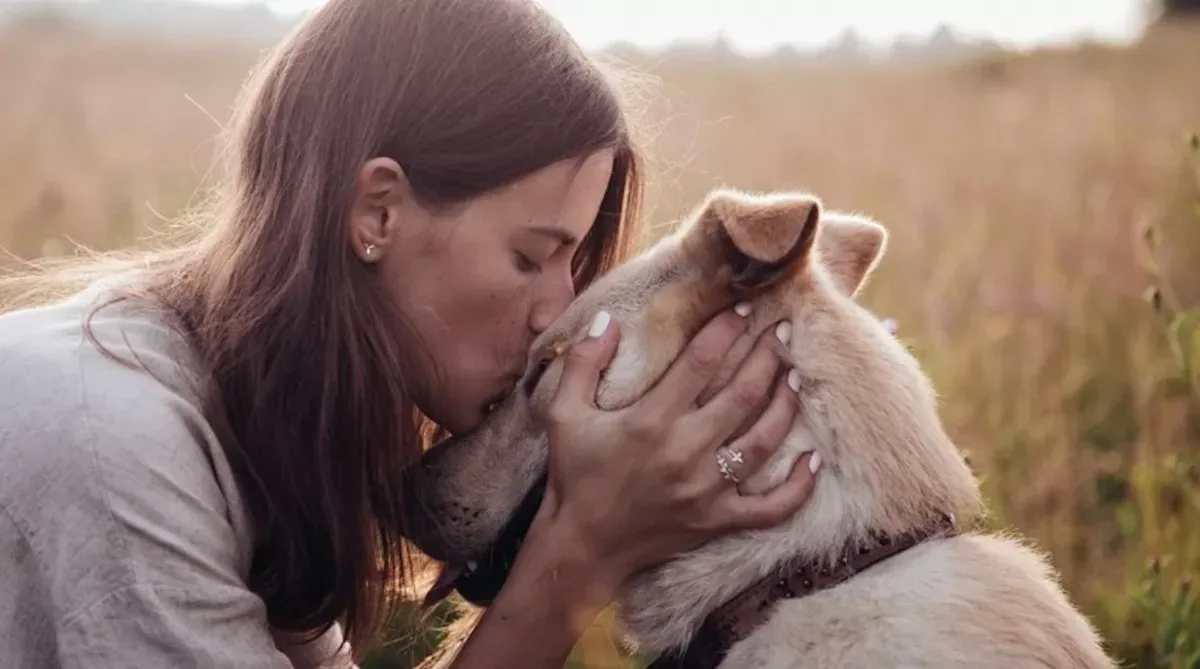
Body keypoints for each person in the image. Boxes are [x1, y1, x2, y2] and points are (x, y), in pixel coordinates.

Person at [0, 1, 818, 667]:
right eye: (531, 255)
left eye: (573, 265)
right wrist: (581, 551)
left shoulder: (242, 422)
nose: (557, 314)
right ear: (378, 212)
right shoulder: (116, 452)